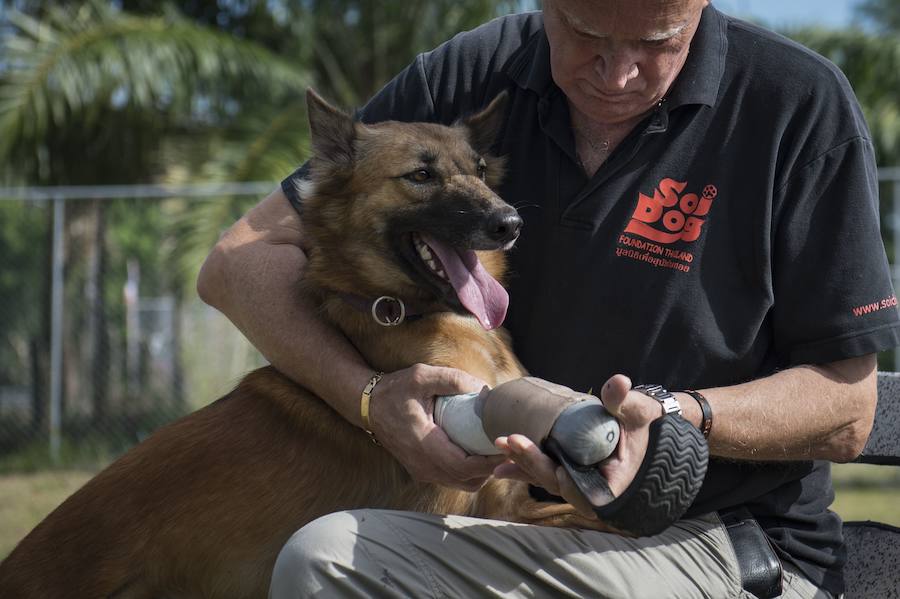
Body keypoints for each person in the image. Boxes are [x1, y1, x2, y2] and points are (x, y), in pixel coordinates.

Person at [197, 0, 900, 596]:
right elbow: (237, 263)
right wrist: (369, 397)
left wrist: (679, 416)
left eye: (658, 43)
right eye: (586, 34)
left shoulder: (797, 104)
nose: (618, 72)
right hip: (520, 525)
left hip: (719, 542)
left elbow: (848, 405)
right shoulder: (478, 69)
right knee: (324, 558)